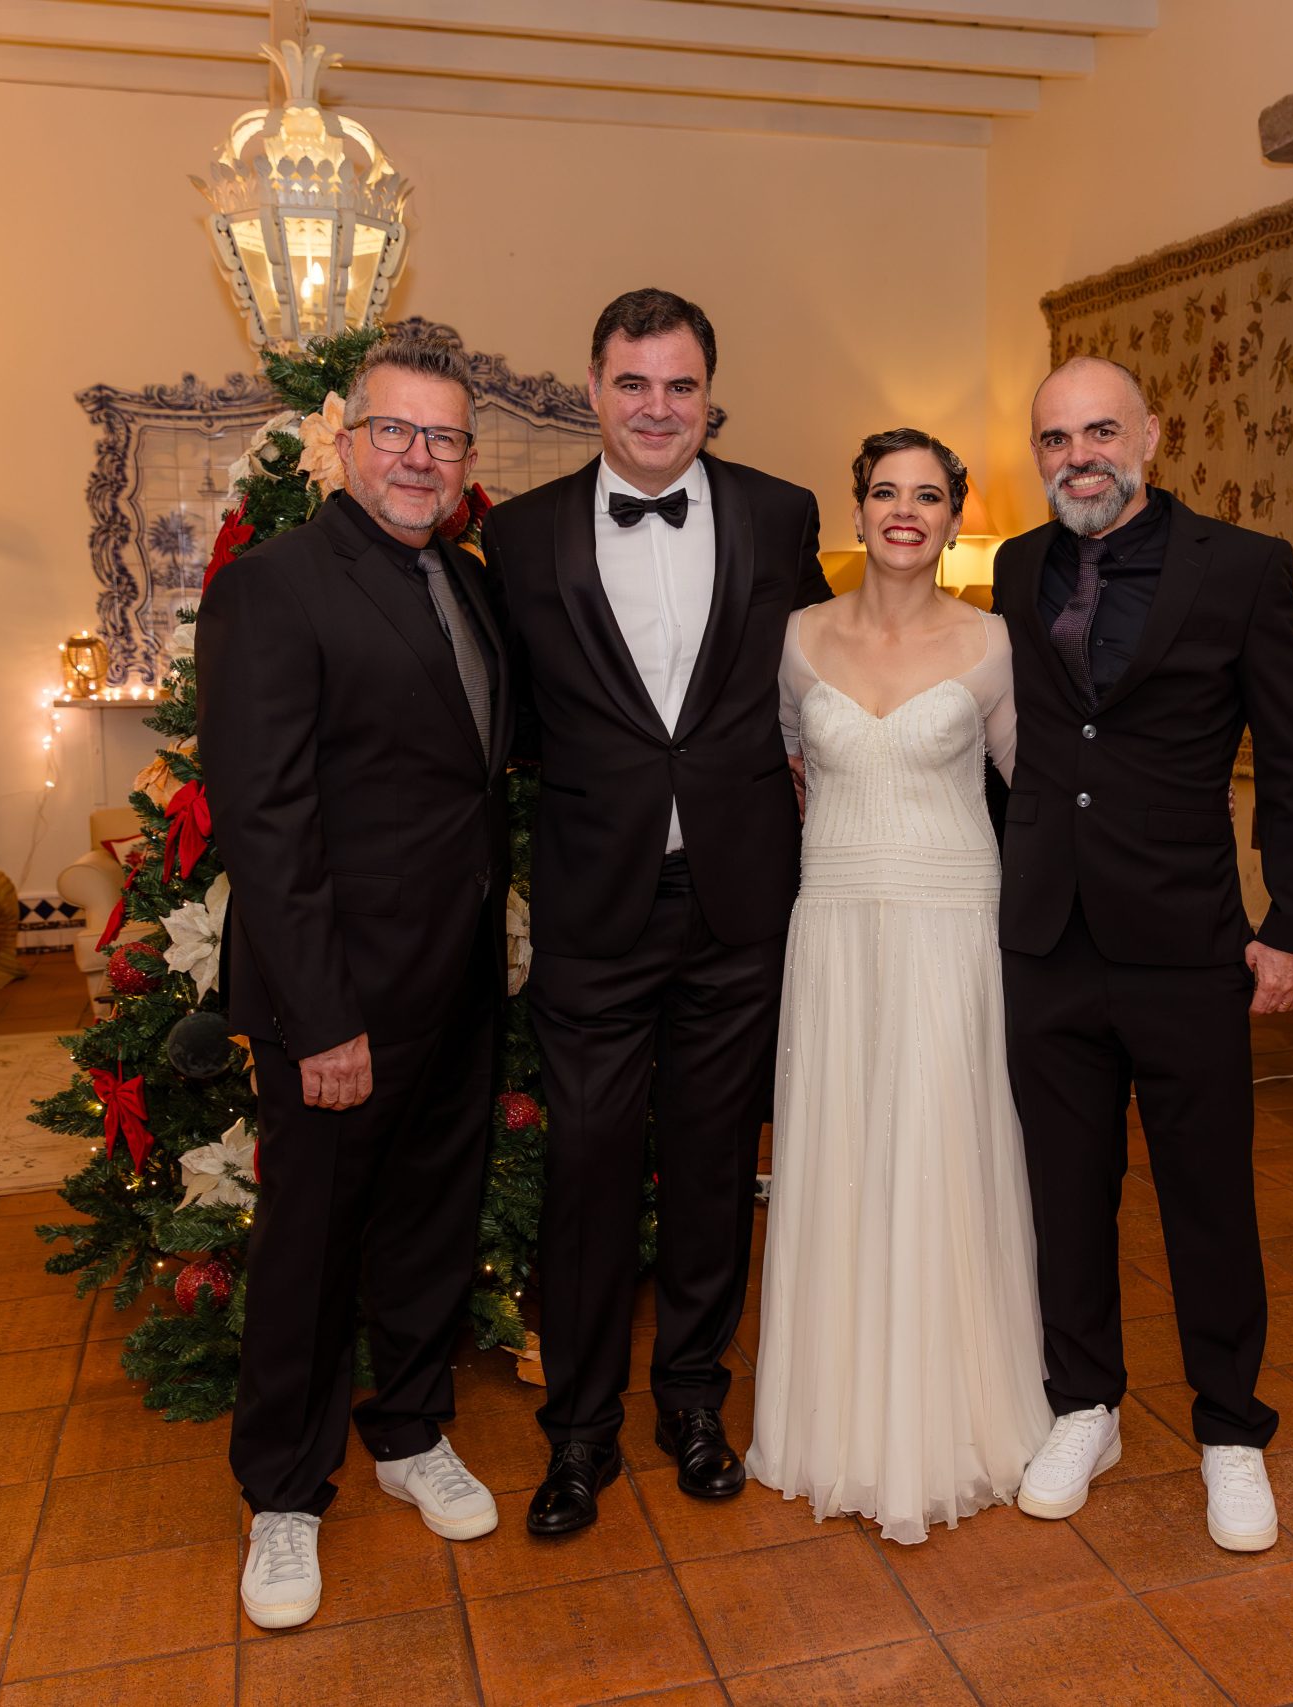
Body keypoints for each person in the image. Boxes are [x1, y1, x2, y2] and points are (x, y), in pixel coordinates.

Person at [482, 288, 832, 1536]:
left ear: (709, 395)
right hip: (595, 906)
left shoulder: (780, 514)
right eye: (632, 383)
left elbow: (818, 678)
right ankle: (577, 1432)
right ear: (593, 388)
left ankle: (691, 1401)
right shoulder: (517, 536)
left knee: (711, 1165)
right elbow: (508, 717)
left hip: (738, 902)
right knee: (585, 1168)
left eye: (680, 385)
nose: (656, 408)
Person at [198, 328, 509, 1628]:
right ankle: (283, 1491)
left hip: (460, 977)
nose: (418, 457)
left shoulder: (469, 583)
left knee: (433, 1220)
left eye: (443, 437)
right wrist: (321, 1017)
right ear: (344, 441)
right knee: (313, 1248)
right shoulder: (274, 588)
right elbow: (265, 822)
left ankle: (412, 1428)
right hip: (338, 996)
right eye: (395, 431)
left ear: (467, 459)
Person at [993, 355, 1293, 1554]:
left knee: (1207, 1197)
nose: (1076, 456)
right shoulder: (1015, 566)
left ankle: (1230, 1430)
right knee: (1064, 1191)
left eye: (1099, 431)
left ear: (1148, 435)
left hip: (1187, 939)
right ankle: (1084, 1405)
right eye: (1053, 439)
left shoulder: (1241, 567)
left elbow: (1291, 760)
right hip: (1046, 937)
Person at [746, 429, 1052, 1544]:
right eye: (886, 491)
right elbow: (787, 766)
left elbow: (1036, 784)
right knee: (842, 1147)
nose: (906, 511)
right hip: (834, 926)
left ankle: (952, 1418)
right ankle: (834, 1417)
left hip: (951, 926)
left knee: (939, 1147)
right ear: (858, 509)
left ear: (956, 517)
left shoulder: (994, 643)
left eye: (929, 494)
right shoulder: (795, 639)